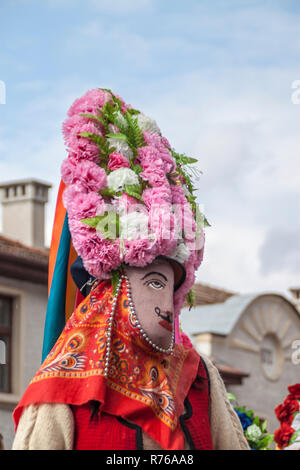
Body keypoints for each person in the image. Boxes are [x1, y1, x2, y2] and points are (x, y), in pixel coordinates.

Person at [12, 88, 249, 450]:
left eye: (172, 288)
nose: (167, 305)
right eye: (154, 283)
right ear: (116, 290)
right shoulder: (63, 384)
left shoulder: (201, 378)